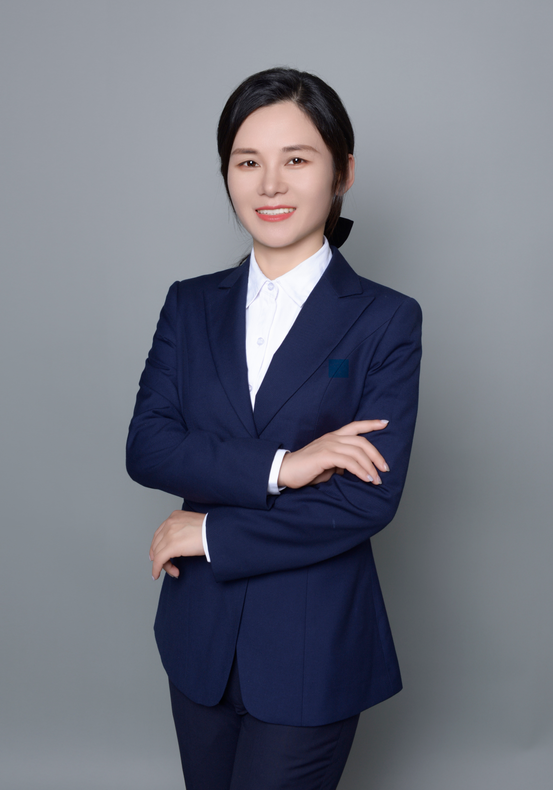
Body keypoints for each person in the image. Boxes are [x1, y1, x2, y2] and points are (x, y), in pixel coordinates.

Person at [126, 67, 422, 790]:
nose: (269, 185)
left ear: (342, 171)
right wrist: (283, 467)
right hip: (198, 637)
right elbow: (149, 446)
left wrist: (210, 533)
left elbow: (363, 500)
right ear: (226, 174)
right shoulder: (189, 305)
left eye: (296, 159)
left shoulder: (386, 319)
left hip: (311, 646)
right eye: (247, 162)